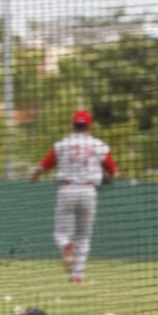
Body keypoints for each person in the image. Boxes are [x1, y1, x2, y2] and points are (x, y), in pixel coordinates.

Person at [30, 110, 118, 284]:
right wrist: (104, 179)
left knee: (61, 233)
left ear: (73, 125)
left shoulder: (62, 145)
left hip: (67, 190)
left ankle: (65, 246)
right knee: (84, 237)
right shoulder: (99, 146)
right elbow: (114, 172)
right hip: (88, 191)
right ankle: (76, 276)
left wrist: (34, 177)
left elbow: (42, 166)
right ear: (90, 125)